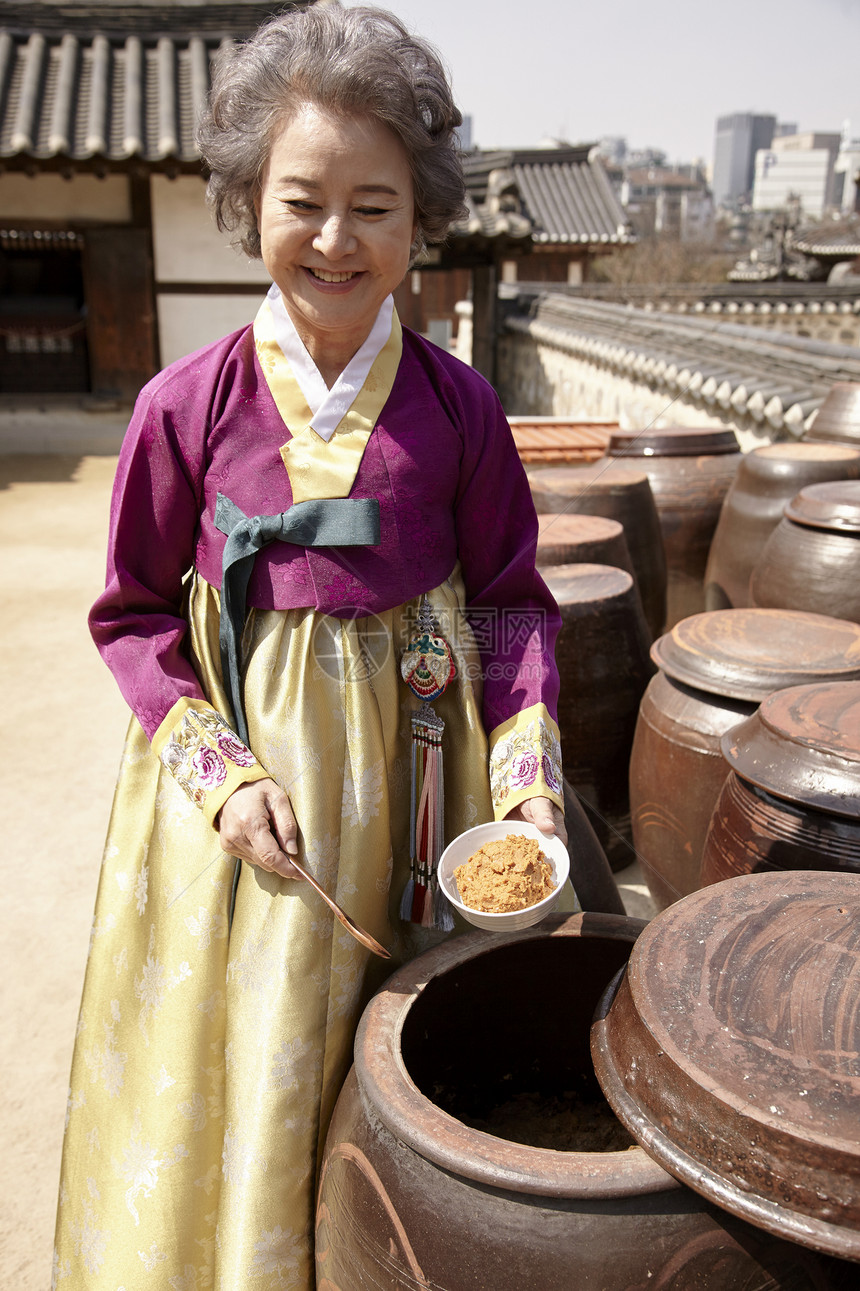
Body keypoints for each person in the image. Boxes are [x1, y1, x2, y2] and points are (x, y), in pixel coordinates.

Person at [53, 6, 572, 1287]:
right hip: (247, 816)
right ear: (246, 203)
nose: (336, 239)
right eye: (304, 201)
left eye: (375, 206)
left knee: (404, 1049)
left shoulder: (459, 409)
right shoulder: (187, 405)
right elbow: (129, 615)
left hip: (415, 783)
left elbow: (508, 602)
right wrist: (219, 773)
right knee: (243, 1050)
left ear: (422, 221)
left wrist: (520, 772)